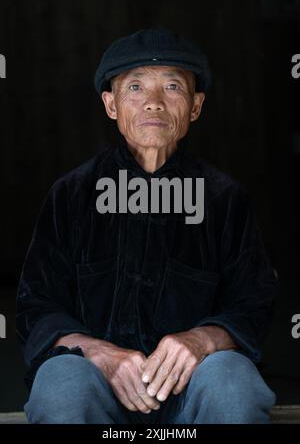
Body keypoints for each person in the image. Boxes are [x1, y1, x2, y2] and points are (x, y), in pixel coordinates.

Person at [16, 28, 278, 424]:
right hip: (96, 381)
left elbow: (254, 302)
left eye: (172, 86)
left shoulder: (224, 199)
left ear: (195, 106)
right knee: (61, 385)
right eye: (135, 86)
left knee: (232, 383)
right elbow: (36, 307)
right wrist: (100, 355)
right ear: (111, 105)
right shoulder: (71, 194)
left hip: (192, 385)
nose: (153, 103)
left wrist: (202, 340)